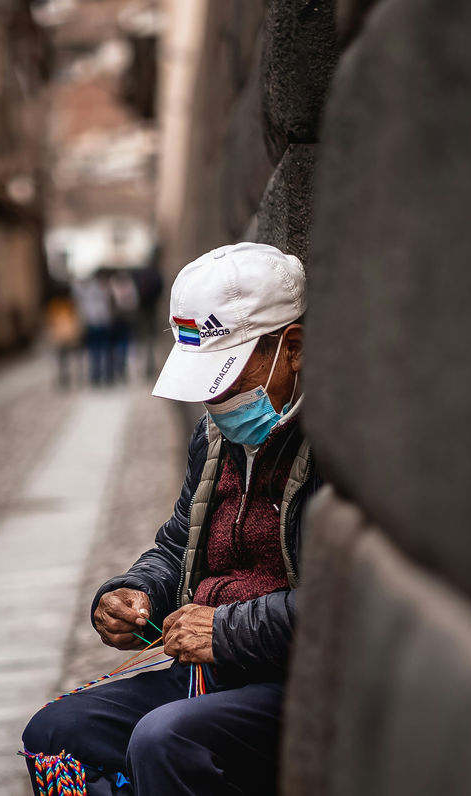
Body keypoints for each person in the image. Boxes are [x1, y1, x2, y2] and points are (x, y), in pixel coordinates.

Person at [21, 242, 321, 796]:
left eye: (227, 379)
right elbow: (179, 543)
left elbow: (343, 603)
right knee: (54, 735)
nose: (216, 402)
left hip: (300, 681)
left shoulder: (336, 448)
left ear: (293, 349)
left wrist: (225, 630)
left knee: (165, 739)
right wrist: (136, 592)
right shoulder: (214, 440)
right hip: (213, 672)